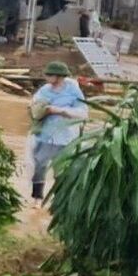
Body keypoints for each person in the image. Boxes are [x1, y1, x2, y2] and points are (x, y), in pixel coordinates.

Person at [27, 62, 88, 203]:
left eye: (49, 75)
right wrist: (37, 108)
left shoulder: (73, 90)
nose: (46, 77)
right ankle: (37, 199)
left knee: (61, 169)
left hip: (66, 137)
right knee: (40, 165)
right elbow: (34, 107)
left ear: (59, 76)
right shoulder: (44, 90)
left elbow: (84, 113)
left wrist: (61, 111)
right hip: (45, 136)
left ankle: (59, 200)